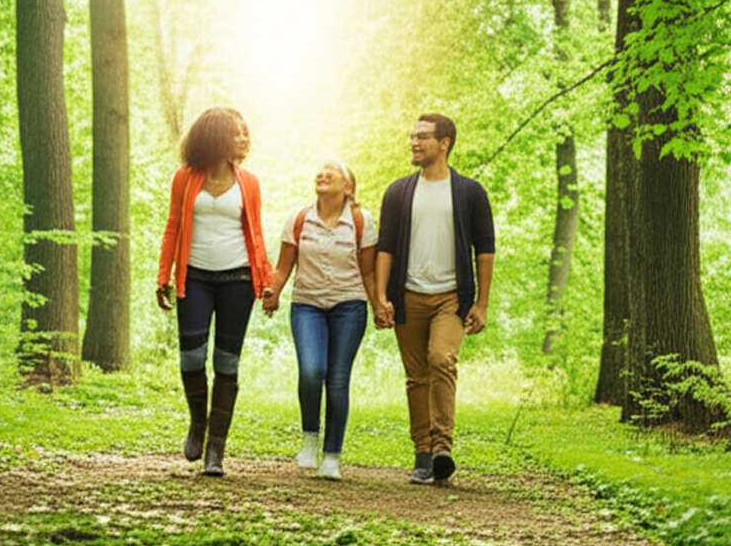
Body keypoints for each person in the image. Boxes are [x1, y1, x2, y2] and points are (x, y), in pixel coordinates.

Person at [373, 113, 495, 484]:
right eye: (412, 135)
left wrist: (482, 304)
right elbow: (386, 248)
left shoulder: (469, 192)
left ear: (444, 143)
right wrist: (380, 297)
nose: (414, 141)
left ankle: (442, 446)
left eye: (423, 136)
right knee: (416, 377)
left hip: (450, 298)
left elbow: (485, 250)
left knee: (441, 359)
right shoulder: (398, 192)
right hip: (408, 297)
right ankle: (422, 454)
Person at [157, 107, 272, 477]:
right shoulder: (185, 179)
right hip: (195, 278)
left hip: (237, 279)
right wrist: (164, 276)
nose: (243, 138)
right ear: (216, 137)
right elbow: (173, 226)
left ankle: (216, 450)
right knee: (191, 359)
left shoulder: (249, 183)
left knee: (227, 364)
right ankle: (197, 422)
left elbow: (256, 233)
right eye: (236, 132)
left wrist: (266, 281)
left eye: (245, 132)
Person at [262, 160, 377, 480]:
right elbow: (284, 267)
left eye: (332, 172)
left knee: (338, 380)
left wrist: (379, 305)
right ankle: (310, 437)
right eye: (320, 172)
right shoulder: (300, 219)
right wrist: (272, 291)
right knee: (312, 371)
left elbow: (368, 271)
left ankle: (332, 456)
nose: (323, 175)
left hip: (349, 306)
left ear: (348, 187)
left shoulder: (360, 220)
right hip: (307, 305)